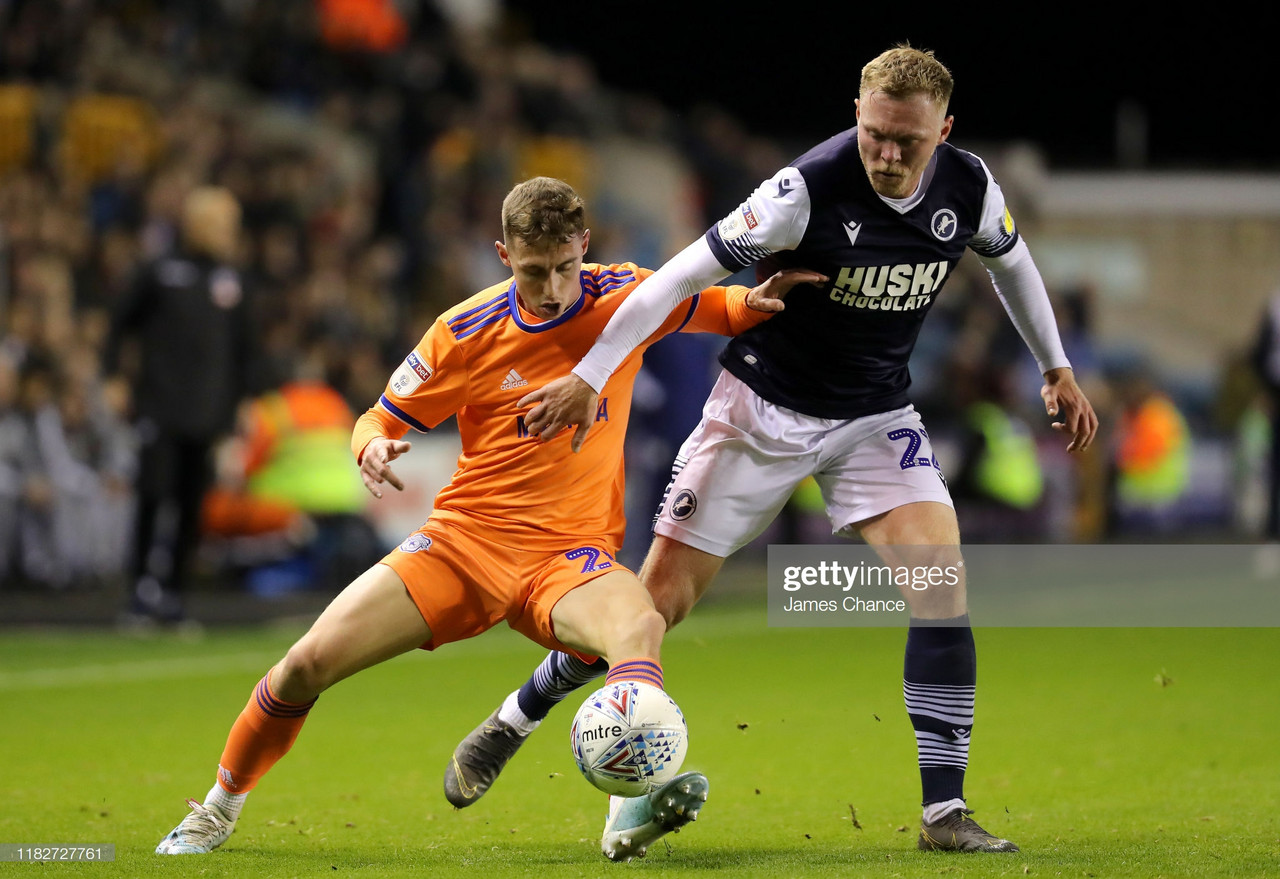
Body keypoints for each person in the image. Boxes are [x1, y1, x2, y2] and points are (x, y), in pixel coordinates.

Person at [445, 46, 1098, 854]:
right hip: (760, 413)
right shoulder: (803, 191)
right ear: (857, 116)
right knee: (652, 611)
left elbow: (1013, 263)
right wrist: (590, 373)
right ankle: (518, 716)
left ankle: (943, 814)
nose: (888, 155)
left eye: (908, 142)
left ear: (945, 131)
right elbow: (669, 282)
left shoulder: (970, 187)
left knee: (940, 580)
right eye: (874, 135)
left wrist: (1056, 367)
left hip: (872, 416)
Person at [155, 177, 824, 860]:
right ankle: (217, 807)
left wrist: (759, 300)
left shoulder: (623, 295)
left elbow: (721, 306)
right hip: (462, 546)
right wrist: (372, 446)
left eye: (566, 266)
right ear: (503, 254)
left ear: (584, 247)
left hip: (569, 559)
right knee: (305, 664)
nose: (555, 287)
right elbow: (375, 418)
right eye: (535, 271)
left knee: (639, 624)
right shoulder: (464, 330)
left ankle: (632, 801)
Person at [107, 185, 256, 624]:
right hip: (159, 407)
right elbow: (119, 326)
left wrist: (242, 404)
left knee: (192, 506)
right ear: (198, 223)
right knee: (153, 497)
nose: (230, 231)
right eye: (223, 221)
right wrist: (114, 377)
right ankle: (138, 592)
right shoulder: (159, 271)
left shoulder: (234, 281)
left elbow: (244, 350)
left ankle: (172, 595)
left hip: (208, 413)